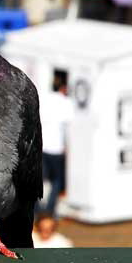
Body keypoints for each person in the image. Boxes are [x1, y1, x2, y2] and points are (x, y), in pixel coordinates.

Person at [39, 73, 75, 216]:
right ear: (64, 87)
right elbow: (70, 125)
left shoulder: (44, 98)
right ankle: (50, 210)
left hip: (42, 146)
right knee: (56, 181)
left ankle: (37, 210)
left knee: (40, 180)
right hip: (56, 148)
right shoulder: (66, 102)